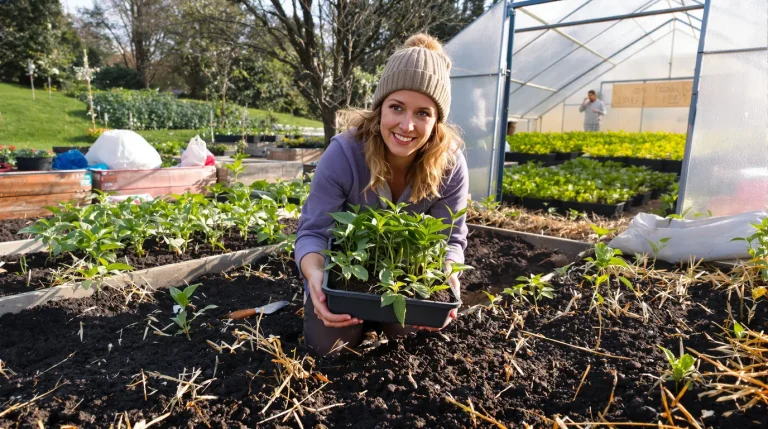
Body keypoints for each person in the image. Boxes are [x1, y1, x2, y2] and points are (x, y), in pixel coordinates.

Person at [294, 34, 469, 355]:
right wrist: (315, 275)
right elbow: (313, 232)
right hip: (348, 280)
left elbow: (451, 240)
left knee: (408, 339)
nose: (407, 125)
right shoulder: (344, 153)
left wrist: (448, 276)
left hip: (405, 282)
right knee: (329, 346)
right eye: (397, 107)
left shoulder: (450, 163)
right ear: (380, 108)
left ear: (436, 121)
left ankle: (385, 323)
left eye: (423, 113)